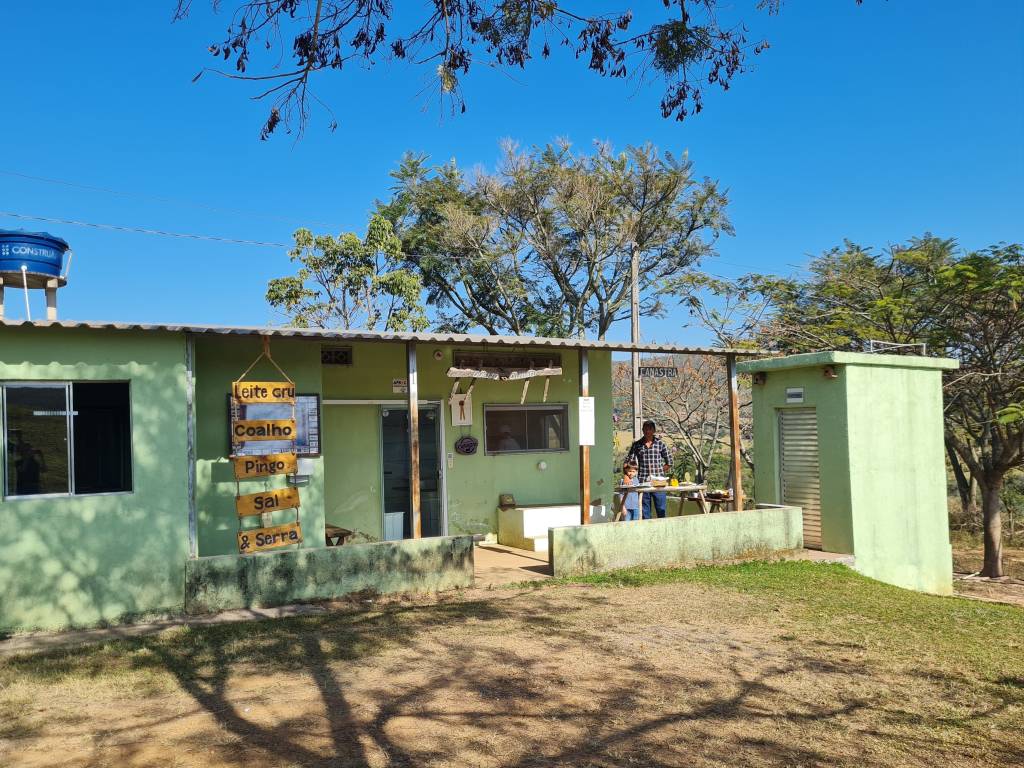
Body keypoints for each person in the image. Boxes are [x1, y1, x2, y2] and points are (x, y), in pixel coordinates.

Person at [626, 420, 672, 519]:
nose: (647, 431)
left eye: (650, 429)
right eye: (645, 429)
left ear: (654, 430)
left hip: (659, 484)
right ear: (642, 430)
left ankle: (663, 531)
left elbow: (670, 462)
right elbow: (629, 462)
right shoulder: (637, 445)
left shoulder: (660, 444)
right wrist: (627, 476)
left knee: (661, 510)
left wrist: (659, 471)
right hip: (643, 482)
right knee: (645, 512)